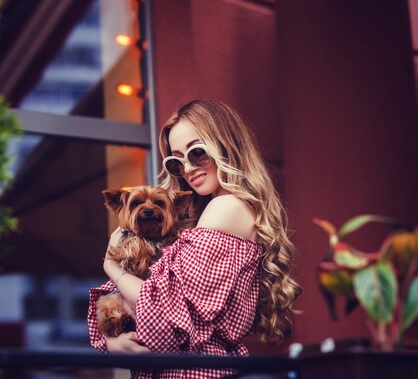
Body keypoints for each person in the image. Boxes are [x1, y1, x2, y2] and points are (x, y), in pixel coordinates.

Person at [88, 99, 301, 378]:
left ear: (226, 147)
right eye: (177, 161)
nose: (188, 168)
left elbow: (162, 313)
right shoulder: (204, 215)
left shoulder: (226, 208)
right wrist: (114, 341)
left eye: (197, 153)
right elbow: (143, 300)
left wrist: (112, 268)